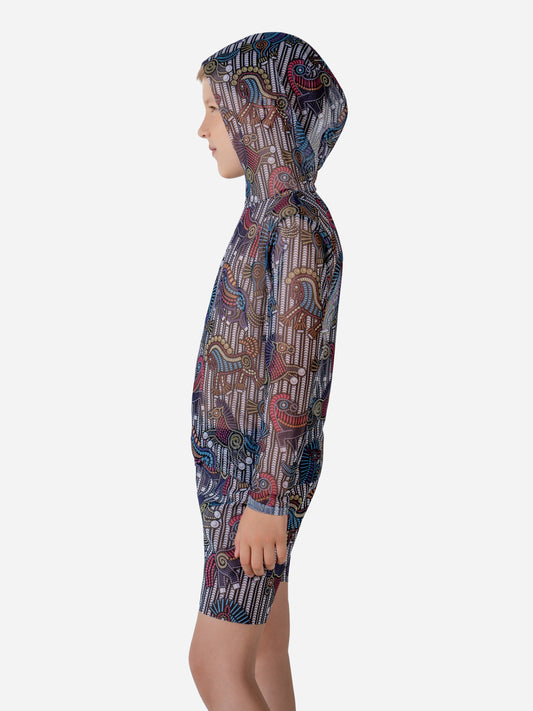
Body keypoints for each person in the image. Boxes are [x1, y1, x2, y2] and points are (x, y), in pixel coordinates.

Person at [188, 31, 348, 710]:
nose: (202, 130)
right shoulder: (268, 217)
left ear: (261, 113)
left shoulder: (295, 226)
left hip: (255, 478)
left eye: (214, 109)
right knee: (264, 647)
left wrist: (267, 498)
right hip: (240, 472)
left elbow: (294, 374)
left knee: (213, 662)